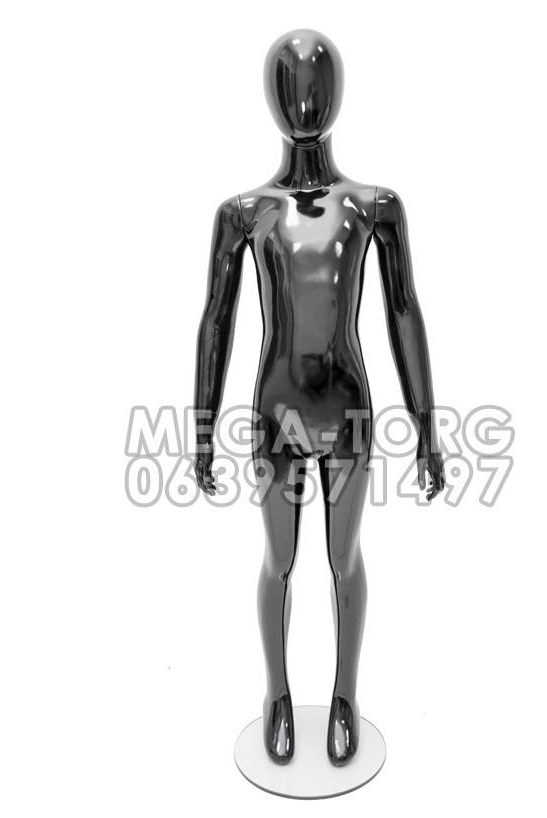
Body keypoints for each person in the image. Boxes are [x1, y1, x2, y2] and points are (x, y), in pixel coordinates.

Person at [194, 29, 445, 766]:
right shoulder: (245, 213)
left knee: (344, 558)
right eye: (292, 84)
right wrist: (201, 432)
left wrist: (427, 430)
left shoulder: (373, 207)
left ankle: (344, 695)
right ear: (272, 99)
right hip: (276, 413)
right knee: (279, 559)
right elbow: (216, 321)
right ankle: (276, 693)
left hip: (348, 412)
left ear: (336, 95)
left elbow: (404, 313)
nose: (304, 99)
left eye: (315, 83)